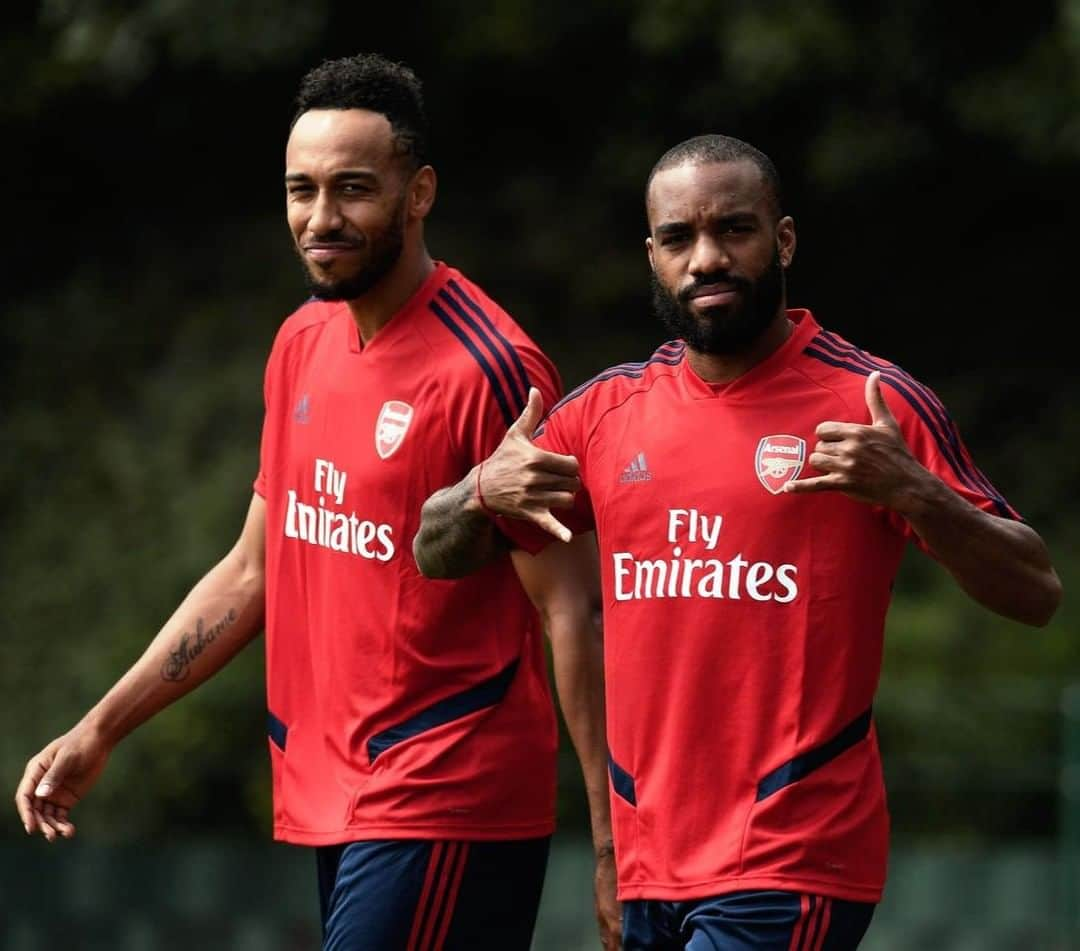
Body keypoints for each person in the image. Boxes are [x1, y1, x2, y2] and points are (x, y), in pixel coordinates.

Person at [14, 53, 619, 951]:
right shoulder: (300, 341)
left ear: (419, 194)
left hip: (444, 794)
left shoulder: (491, 369)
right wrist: (103, 726)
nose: (321, 219)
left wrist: (613, 846)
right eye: (301, 190)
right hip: (326, 795)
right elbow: (256, 569)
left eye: (353, 190)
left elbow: (571, 609)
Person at [412, 133, 1064, 950]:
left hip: (793, 858)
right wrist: (478, 491)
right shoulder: (607, 416)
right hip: (652, 865)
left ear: (783, 240)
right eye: (680, 238)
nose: (707, 258)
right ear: (651, 255)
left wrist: (917, 491)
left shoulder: (868, 401)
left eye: (735, 230)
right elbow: (435, 552)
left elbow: (1036, 589)